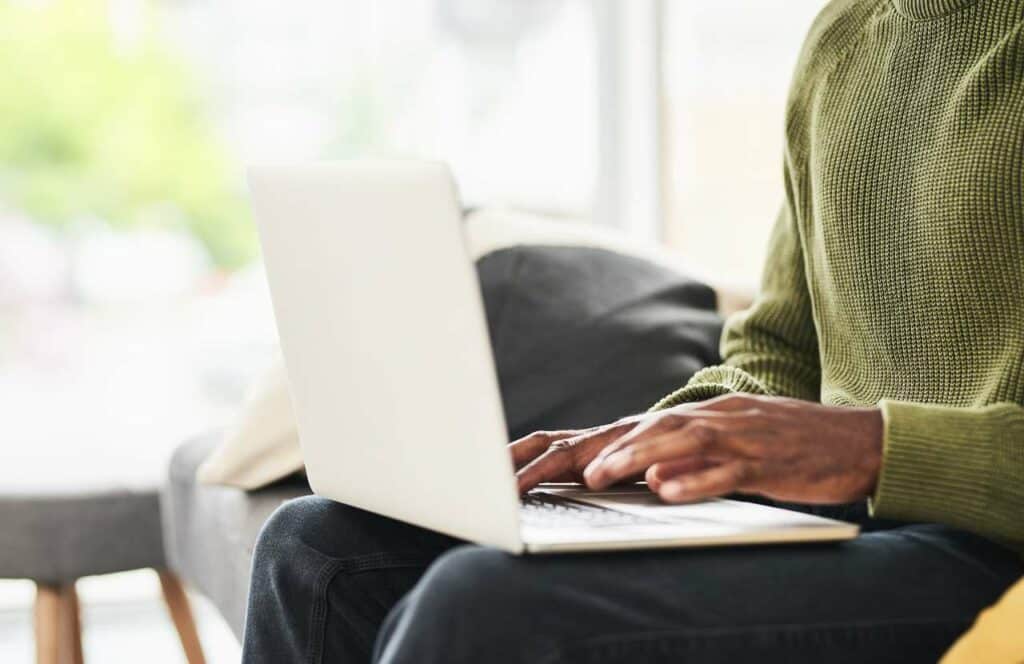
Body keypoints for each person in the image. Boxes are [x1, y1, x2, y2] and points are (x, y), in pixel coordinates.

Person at [241, 1, 1024, 662]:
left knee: (487, 606)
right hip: (841, 523)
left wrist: (867, 447)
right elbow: (776, 350)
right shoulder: (845, 36)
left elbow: (847, 436)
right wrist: (643, 440)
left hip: (989, 547)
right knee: (316, 550)